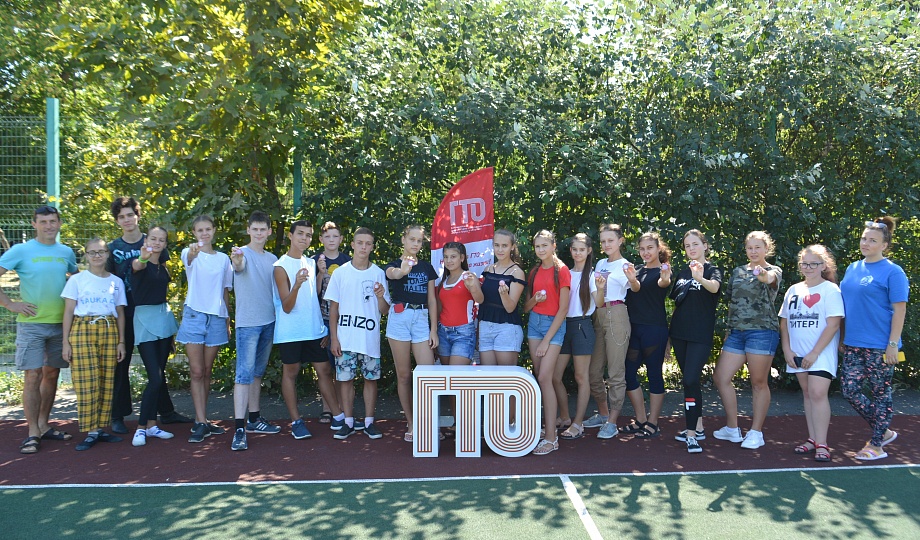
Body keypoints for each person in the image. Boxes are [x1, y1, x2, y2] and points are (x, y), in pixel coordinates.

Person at [106, 197, 191, 434]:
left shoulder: (154, 239)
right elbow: (115, 277)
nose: (127, 220)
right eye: (121, 217)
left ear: (138, 216)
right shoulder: (113, 248)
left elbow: (159, 272)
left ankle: (166, 412)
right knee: (121, 363)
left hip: (152, 312)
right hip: (124, 311)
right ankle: (118, 415)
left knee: (157, 368)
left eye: (130, 215)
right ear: (117, 221)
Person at [1, 206, 78, 454]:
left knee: (52, 374)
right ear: (34, 224)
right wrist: (10, 304)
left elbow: (77, 280)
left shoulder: (66, 252)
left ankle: (44, 425)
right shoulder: (21, 250)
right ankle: (32, 432)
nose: (48, 226)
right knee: (32, 375)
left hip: (60, 324)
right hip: (31, 324)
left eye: (52, 221)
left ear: (59, 223)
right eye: (43, 222)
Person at [839, 217, 909, 461]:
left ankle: (877, 444)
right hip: (853, 343)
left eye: (872, 240)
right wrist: (843, 337)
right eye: (864, 238)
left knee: (881, 393)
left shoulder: (893, 271)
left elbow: (899, 310)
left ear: (884, 245)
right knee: (849, 390)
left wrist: (892, 344)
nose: (865, 243)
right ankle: (884, 430)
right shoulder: (852, 268)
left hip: (880, 345)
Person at [273, 220, 345, 441]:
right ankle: (296, 422)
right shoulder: (280, 266)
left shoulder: (312, 263)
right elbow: (287, 306)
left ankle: (339, 417)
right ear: (291, 236)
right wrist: (296, 284)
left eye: (308, 235)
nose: (304, 238)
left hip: (313, 330)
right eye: (300, 234)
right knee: (291, 373)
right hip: (290, 332)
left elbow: (314, 297)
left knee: (324, 370)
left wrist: (322, 329)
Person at [712, 231, 783, 449]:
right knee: (721, 377)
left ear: (766, 249)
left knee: (758, 383)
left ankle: (756, 432)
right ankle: (732, 428)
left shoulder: (773, 270)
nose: (753, 251)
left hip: (762, 332)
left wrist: (763, 275)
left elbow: (769, 279)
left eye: (757, 247)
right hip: (736, 333)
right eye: (749, 248)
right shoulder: (738, 271)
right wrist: (729, 329)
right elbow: (732, 303)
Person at [61, 238, 128, 450]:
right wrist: (65, 342)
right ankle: (90, 431)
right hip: (83, 329)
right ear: (86, 255)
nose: (97, 256)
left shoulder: (116, 282)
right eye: (92, 252)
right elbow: (68, 312)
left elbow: (120, 313)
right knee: (86, 380)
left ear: (107, 254)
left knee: (106, 379)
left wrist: (121, 341)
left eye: (101, 251)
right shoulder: (77, 280)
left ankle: (100, 428)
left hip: (109, 330)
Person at [780, 245, 843, 462]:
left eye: (813, 264)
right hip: (797, 352)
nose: (808, 268)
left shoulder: (830, 290)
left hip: (820, 353)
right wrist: (787, 349)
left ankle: (822, 444)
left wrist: (815, 353)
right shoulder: (793, 290)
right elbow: (784, 322)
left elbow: (833, 324)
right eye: (804, 264)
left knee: (817, 393)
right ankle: (813, 439)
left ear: (823, 266)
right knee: (807, 393)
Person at [326, 227, 390, 440]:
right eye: (360, 242)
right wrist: (334, 338)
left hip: (368, 338)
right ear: (352, 244)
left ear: (372, 247)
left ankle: (370, 422)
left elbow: (385, 310)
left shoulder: (378, 273)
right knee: (345, 380)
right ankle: (348, 422)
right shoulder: (340, 272)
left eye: (368, 243)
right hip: (345, 338)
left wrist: (380, 296)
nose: (363, 247)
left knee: (370, 379)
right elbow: (333, 309)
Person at [177, 215, 232, 443]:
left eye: (208, 229)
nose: (204, 233)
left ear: (214, 230)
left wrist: (227, 320)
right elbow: (189, 258)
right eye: (200, 230)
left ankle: (203, 419)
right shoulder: (189, 253)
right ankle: (200, 422)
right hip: (194, 316)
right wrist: (193, 252)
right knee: (197, 371)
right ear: (194, 233)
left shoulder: (223, 259)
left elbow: (225, 290)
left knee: (207, 371)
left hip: (217, 318)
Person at [228, 211, 281, 451]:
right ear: (248, 230)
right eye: (255, 229)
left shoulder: (273, 259)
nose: (259, 233)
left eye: (263, 229)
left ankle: (254, 419)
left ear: (269, 231)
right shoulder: (241, 254)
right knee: (244, 375)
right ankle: (239, 429)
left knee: (257, 373)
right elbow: (238, 266)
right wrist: (237, 259)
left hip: (269, 322)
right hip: (248, 324)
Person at [669, 229, 722, 453]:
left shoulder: (713, 270)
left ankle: (691, 435)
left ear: (705, 245)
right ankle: (697, 427)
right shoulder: (682, 272)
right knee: (690, 382)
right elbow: (676, 301)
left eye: (695, 244)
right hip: (679, 334)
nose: (691, 248)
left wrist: (700, 278)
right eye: (687, 245)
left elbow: (715, 287)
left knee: (690, 379)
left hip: (700, 335)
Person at [385, 225, 439, 442]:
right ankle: (412, 422)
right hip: (399, 318)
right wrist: (403, 270)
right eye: (412, 239)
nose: (416, 244)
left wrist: (433, 329)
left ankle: (429, 422)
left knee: (427, 375)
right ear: (403, 240)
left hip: (421, 320)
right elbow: (394, 274)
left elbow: (432, 300)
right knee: (404, 375)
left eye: (419, 240)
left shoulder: (427, 267)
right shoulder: (393, 265)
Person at [130, 226, 180, 447]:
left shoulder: (163, 266)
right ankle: (140, 428)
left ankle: (152, 426)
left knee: (159, 376)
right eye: (153, 238)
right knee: (155, 378)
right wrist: (143, 257)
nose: (157, 242)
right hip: (145, 322)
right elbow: (138, 264)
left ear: (165, 244)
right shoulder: (139, 263)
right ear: (146, 240)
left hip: (163, 321)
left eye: (161, 240)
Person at [621, 232, 672, 439]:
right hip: (635, 330)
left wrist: (665, 278)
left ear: (658, 248)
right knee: (628, 374)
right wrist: (632, 279)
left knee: (654, 375)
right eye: (642, 249)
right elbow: (634, 288)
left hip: (654, 331)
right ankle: (641, 419)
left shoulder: (663, 271)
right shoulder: (636, 270)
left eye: (650, 248)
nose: (646, 252)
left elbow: (663, 283)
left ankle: (653, 423)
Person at [587, 224, 635, 440]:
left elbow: (635, 288)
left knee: (615, 372)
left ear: (620, 241)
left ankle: (613, 422)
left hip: (617, 315)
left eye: (610, 240)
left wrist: (633, 279)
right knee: (593, 371)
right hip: (599, 315)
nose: (606, 244)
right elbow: (597, 298)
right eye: (603, 241)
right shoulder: (600, 263)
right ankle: (604, 414)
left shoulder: (625, 265)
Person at [525, 230, 571, 455]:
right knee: (541, 378)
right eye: (537, 246)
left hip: (554, 326)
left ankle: (552, 439)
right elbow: (526, 307)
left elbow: (563, 309)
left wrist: (546, 341)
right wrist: (535, 299)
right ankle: (548, 428)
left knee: (545, 377)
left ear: (554, 245)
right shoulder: (534, 271)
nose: (541, 250)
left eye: (545, 245)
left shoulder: (562, 270)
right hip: (534, 324)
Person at [556, 233, 597, 441]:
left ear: (589, 251)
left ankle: (578, 423)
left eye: (582, 249)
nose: (578, 253)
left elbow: (599, 302)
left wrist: (601, 287)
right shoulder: (565, 272)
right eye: (575, 249)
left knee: (581, 377)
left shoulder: (593, 276)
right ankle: (564, 416)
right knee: (554, 376)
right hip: (563, 326)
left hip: (582, 326)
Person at [313, 221, 349, 424]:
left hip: (343, 321)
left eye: (335, 236)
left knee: (340, 367)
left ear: (341, 239)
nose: (331, 240)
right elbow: (314, 293)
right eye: (327, 237)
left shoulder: (347, 261)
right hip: (321, 321)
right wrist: (320, 272)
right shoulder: (314, 260)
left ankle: (342, 408)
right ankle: (327, 408)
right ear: (321, 239)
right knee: (324, 368)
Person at [478, 229, 527, 366]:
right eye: (497, 245)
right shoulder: (488, 269)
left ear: (512, 247)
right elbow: (481, 301)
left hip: (507, 328)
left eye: (504, 246)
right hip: (485, 326)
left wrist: (504, 294)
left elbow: (510, 308)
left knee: (505, 376)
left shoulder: (517, 272)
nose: (500, 249)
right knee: (487, 376)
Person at [437, 242, 483, 366]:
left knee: (455, 373)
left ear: (462, 258)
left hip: (463, 334)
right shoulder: (444, 280)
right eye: (446, 257)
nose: (448, 260)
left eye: (453, 257)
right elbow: (440, 308)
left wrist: (472, 287)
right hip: (442, 332)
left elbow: (480, 300)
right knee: (446, 374)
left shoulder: (469, 277)